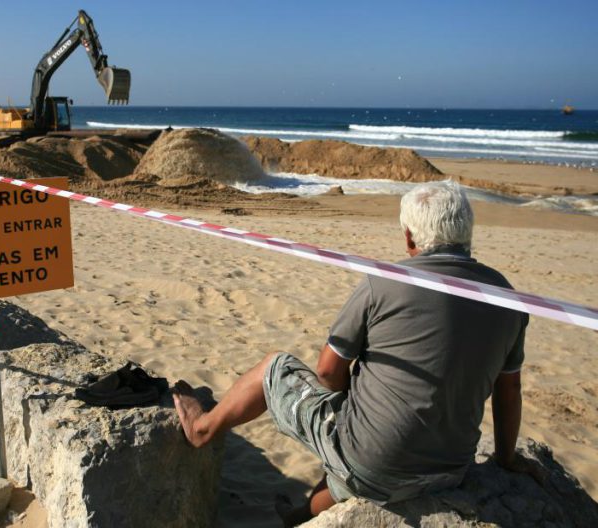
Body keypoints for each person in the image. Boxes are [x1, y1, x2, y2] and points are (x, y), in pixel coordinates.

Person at [173, 181, 533, 526]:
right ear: (467, 232)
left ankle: (202, 429)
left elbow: (328, 370)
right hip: (450, 469)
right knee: (366, 448)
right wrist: (506, 458)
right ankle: (298, 518)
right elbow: (509, 389)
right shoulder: (506, 296)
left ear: (409, 237)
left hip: (375, 461)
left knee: (275, 367)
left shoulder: (385, 281)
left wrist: (350, 407)